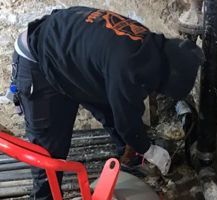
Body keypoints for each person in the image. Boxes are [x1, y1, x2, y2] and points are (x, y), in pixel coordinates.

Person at [10, 6, 203, 199]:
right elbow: (127, 122)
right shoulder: (129, 67)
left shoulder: (149, 45)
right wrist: (150, 150)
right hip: (37, 61)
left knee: (112, 108)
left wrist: (140, 145)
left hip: (71, 53)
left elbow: (123, 108)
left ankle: (133, 163)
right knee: (50, 155)